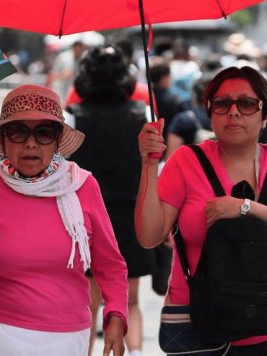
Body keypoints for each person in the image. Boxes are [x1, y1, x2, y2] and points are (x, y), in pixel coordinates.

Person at [0, 84, 128, 356]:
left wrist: (116, 315)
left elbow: (111, 265)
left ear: (58, 140)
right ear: (3, 140)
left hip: (67, 337)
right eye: (18, 131)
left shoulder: (83, 186)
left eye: (44, 132)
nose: (30, 143)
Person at [135, 66, 267, 355]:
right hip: (194, 323)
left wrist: (245, 208)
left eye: (247, 104)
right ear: (209, 112)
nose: (233, 112)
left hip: (263, 326)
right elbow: (149, 237)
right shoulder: (187, 161)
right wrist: (149, 166)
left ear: (266, 116)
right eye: (222, 104)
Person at [69, 45, 154, 356]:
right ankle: (134, 353)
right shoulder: (143, 115)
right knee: (129, 301)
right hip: (131, 216)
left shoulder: (73, 118)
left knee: (88, 306)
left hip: (84, 220)